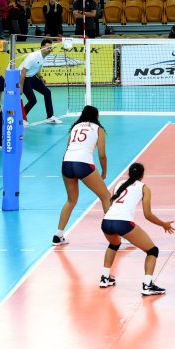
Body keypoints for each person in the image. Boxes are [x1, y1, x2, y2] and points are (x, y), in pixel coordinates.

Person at [100, 163, 175, 295]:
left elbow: (111, 203)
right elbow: (148, 215)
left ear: (129, 173)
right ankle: (147, 285)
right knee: (152, 250)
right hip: (123, 223)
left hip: (106, 221)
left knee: (114, 244)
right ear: (142, 175)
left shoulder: (119, 183)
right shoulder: (144, 188)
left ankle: (105, 278)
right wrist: (163, 224)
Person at [54, 105, 110, 246]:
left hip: (66, 163)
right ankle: (115, 234)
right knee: (106, 197)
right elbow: (102, 155)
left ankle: (58, 235)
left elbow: (68, 148)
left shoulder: (75, 127)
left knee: (71, 201)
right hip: (83, 164)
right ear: (96, 117)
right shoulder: (99, 129)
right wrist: (104, 172)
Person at [19, 38, 62, 125]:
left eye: (50, 48)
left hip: (33, 77)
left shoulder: (45, 56)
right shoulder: (33, 57)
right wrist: (21, 86)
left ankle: (50, 116)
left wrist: (41, 77)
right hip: (24, 77)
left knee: (47, 92)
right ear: (41, 47)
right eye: (47, 47)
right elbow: (23, 71)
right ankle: (21, 118)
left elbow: (36, 68)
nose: (49, 49)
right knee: (32, 100)